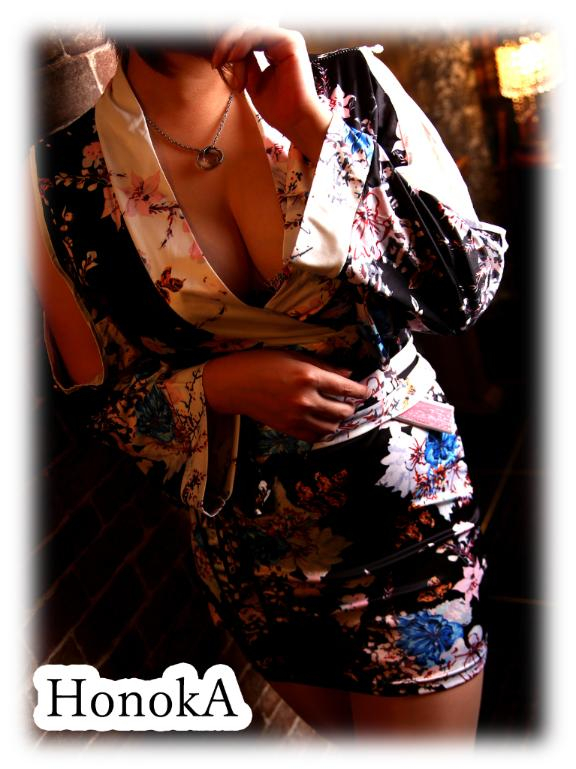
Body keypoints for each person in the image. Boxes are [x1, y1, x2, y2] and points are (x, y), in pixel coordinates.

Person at [30, 24, 507, 739]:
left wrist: (313, 126)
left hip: (403, 519)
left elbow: (464, 285)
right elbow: (99, 404)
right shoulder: (57, 178)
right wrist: (218, 385)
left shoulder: (346, 85)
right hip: (251, 556)